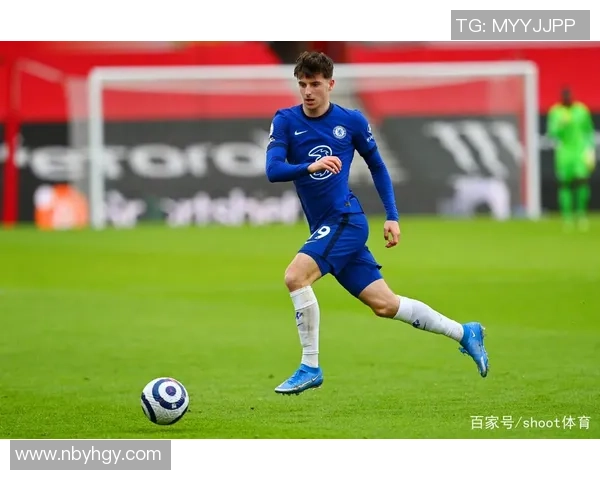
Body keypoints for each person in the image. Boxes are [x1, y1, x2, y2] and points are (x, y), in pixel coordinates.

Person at [265, 51, 489, 395]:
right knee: (385, 305)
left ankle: (310, 366)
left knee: (295, 276)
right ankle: (465, 332)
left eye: (315, 84)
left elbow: (378, 167)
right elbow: (273, 169)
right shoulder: (285, 120)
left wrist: (392, 216)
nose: (308, 91)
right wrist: (309, 167)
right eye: (303, 84)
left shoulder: (351, 121)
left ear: (330, 84)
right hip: (325, 227)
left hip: (345, 221)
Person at [547, 87, 596, 231]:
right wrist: (561, 125)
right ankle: (567, 217)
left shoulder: (581, 110)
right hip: (564, 153)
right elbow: (551, 133)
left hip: (579, 152)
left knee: (582, 181)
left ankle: (581, 214)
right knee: (564, 184)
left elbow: (589, 131)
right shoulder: (555, 112)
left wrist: (590, 150)